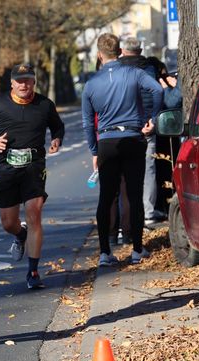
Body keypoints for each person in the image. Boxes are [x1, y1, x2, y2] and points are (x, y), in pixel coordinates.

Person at [0, 63, 64, 289]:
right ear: (12, 83)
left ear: (34, 81)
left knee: (34, 213)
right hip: (7, 167)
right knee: (8, 222)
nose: (24, 84)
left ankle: (33, 272)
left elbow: (58, 127)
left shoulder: (44, 105)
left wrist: (56, 139)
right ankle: (20, 234)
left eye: (28, 80)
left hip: (34, 166)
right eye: (19, 80)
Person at [82, 33, 163, 267]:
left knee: (106, 197)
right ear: (119, 52)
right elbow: (157, 91)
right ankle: (137, 249)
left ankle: (105, 252)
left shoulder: (91, 84)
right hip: (132, 136)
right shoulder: (134, 73)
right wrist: (152, 118)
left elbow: (88, 123)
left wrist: (94, 151)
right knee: (135, 194)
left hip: (107, 140)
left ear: (99, 55)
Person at [119, 37, 167, 224]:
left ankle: (128, 215)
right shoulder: (150, 69)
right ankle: (147, 212)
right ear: (140, 51)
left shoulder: (116, 70)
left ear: (122, 50)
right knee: (148, 169)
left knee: (124, 173)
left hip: (125, 126)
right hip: (147, 125)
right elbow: (158, 93)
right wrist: (153, 119)